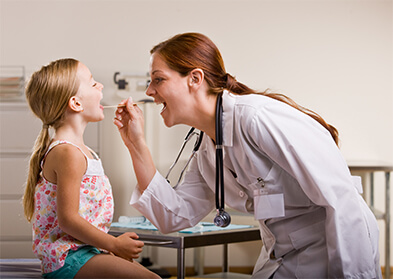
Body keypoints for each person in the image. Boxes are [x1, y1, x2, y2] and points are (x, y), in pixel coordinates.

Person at [114, 33, 381, 278]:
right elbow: (173, 216)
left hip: (329, 258)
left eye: (158, 79)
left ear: (195, 79)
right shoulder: (208, 148)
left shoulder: (257, 118)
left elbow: (342, 200)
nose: (149, 91)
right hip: (279, 260)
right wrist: (136, 144)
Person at [22, 58, 160, 279]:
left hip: (85, 252)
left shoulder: (82, 151)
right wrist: (114, 245)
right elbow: (69, 220)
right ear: (76, 103)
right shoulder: (67, 152)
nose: (101, 86)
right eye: (93, 83)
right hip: (68, 258)